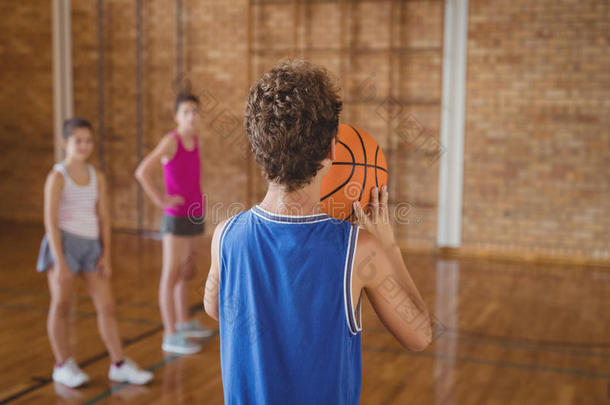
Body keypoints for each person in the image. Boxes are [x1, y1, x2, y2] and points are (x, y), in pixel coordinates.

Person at [203, 60, 432, 404]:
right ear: (332, 151)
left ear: (257, 148)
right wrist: (389, 248)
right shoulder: (358, 248)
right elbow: (420, 336)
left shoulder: (225, 236)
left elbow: (215, 307)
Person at [37, 117, 153, 387]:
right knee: (62, 306)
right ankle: (62, 364)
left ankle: (119, 363)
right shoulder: (57, 177)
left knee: (107, 306)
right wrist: (61, 262)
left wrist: (106, 255)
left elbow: (103, 217)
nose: (84, 145)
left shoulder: (96, 177)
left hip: (91, 247)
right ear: (65, 143)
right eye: (78, 140)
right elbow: (50, 221)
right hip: (64, 245)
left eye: (88, 140)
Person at [135, 93, 213, 354]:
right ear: (177, 116)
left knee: (185, 271)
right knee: (170, 275)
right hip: (175, 217)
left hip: (193, 214)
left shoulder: (196, 141)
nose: (192, 116)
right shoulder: (171, 141)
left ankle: (183, 322)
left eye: (195, 111)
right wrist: (161, 199)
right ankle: (169, 334)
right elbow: (143, 172)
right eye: (186, 112)